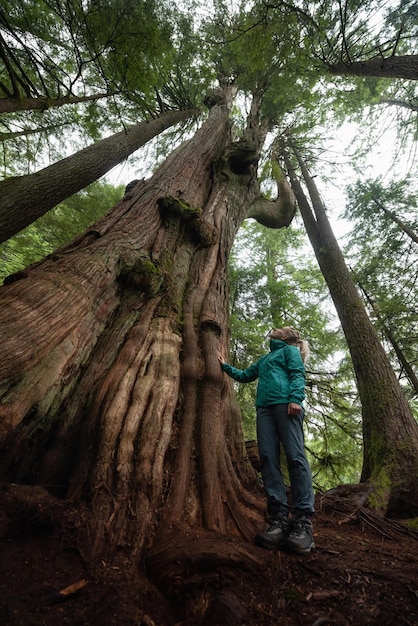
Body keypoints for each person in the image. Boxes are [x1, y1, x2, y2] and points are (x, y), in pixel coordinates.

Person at [219, 327, 315, 554]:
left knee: (295, 457)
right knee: (268, 458)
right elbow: (245, 376)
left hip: (287, 405)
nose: (275, 329)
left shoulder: (290, 351)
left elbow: (297, 374)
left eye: (280, 329)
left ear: (286, 337)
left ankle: (303, 521)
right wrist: (224, 365)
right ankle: (279, 518)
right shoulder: (265, 359)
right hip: (264, 409)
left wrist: (295, 398)